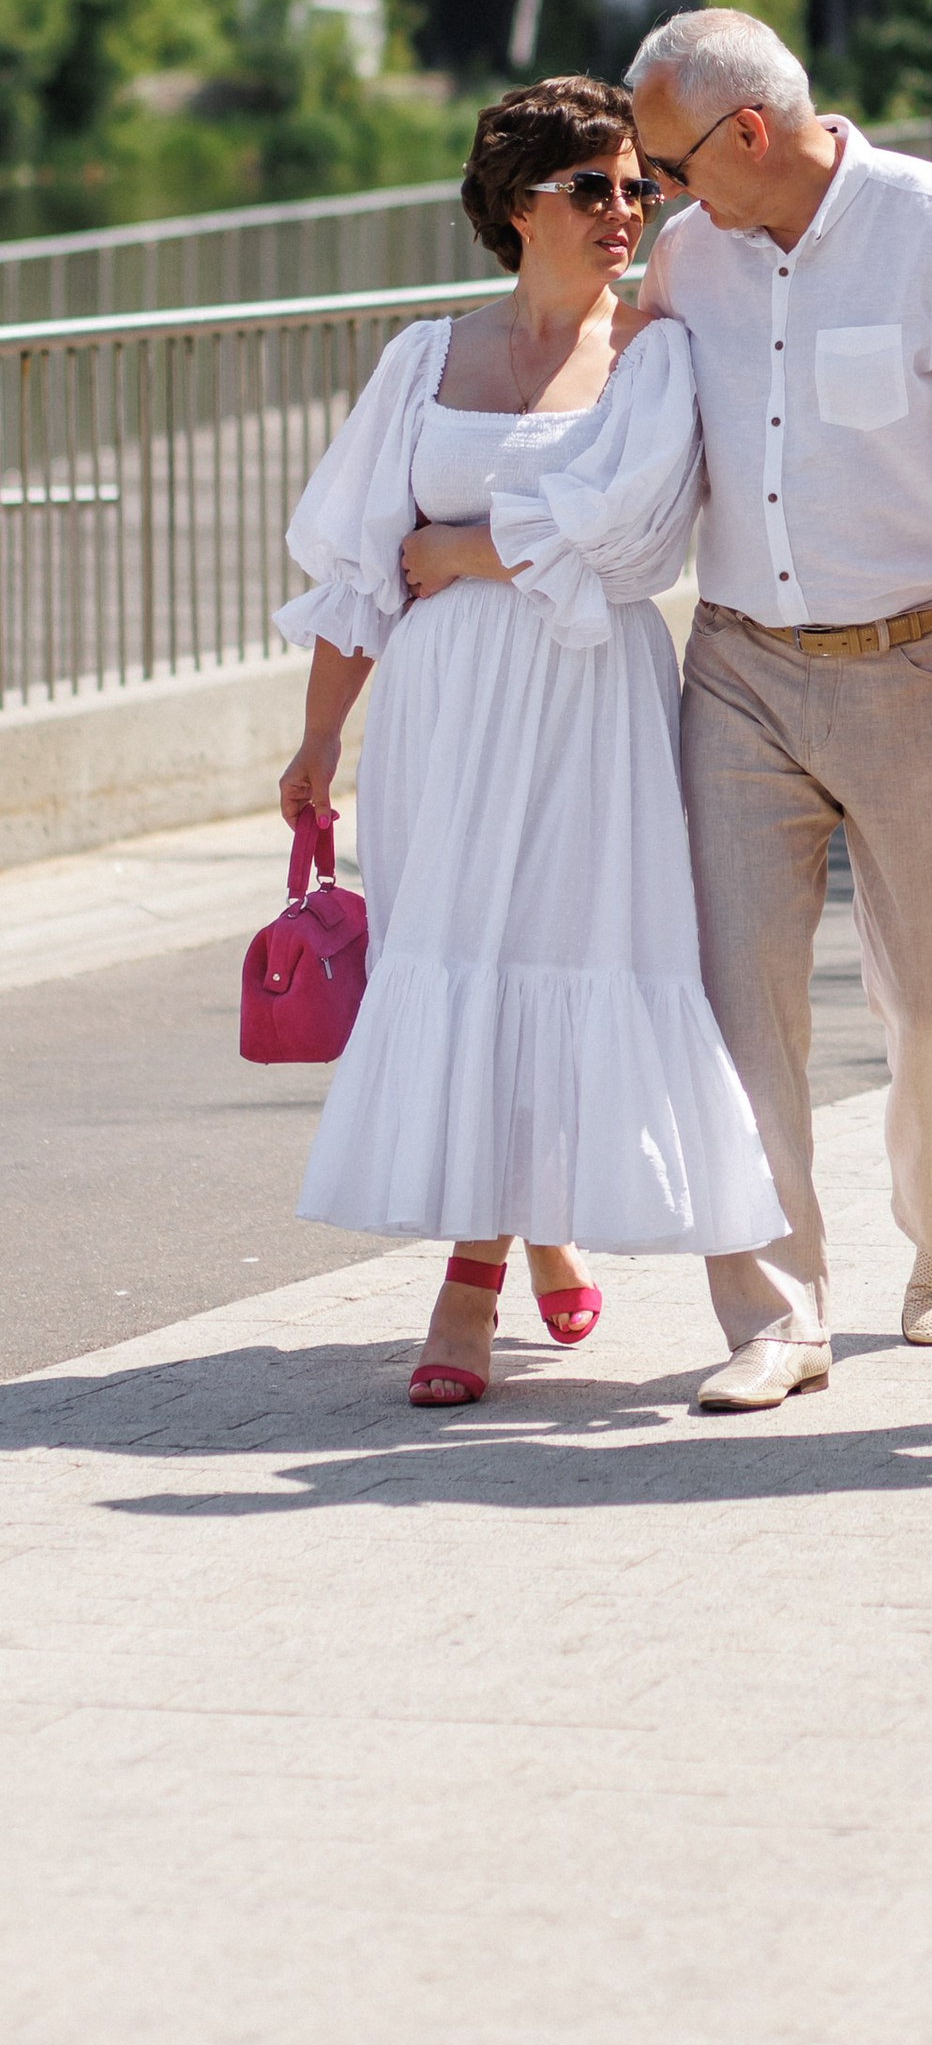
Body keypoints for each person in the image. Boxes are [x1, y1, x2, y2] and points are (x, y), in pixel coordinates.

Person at [277, 81, 782, 1411]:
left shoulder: (655, 354)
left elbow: (630, 538)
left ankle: (470, 1277)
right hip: (444, 710)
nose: (627, 212)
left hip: (584, 700)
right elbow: (357, 558)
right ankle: (530, 1226)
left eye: (639, 188)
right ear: (517, 206)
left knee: (567, 948)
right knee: (470, 953)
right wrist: (319, 739)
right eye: (595, 189)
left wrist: (459, 546)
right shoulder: (421, 359)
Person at [625, 10, 932, 1414]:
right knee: (739, 1004)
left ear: (747, 132)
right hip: (741, 668)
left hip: (927, 665)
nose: (655, 201)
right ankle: (777, 1311)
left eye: (669, 166)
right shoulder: (692, 262)